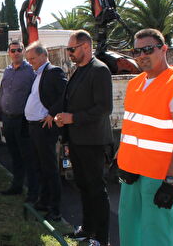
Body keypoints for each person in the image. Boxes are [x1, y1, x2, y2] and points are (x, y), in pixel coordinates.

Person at [116, 29, 173, 246]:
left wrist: (171, 182)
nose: (142, 55)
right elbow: (131, 127)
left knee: (158, 237)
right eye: (136, 51)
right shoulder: (135, 84)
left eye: (147, 49)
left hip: (159, 176)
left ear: (163, 49)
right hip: (131, 173)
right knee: (129, 230)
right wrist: (121, 160)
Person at [54, 30, 113, 246]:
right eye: (69, 49)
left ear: (86, 47)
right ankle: (87, 230)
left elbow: (104, 108)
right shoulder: (79, 70)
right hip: (78, 140)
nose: (69, 53)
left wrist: (73, 118)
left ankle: (102, 238)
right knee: (84, 187)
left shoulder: (99, 70)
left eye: (72, 49)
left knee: (97, 190)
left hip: (93, 142)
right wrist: (64, 119)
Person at [24, 41, 67, 222]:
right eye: (29, 59)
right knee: (39, 167)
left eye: (33, 58)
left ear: (44, 55)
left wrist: (52, 113)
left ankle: (55, 209)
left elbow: (66, 95)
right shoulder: (38, 74)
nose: (30, 62)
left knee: (49, 169)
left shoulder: (54, 72)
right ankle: (44, 201)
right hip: (34, 126)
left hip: (45, 128)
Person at [0, 41, 37, 200]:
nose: (16, 53)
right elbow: (2, 95)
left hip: (23, 121)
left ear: (23, 51)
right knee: (14, 155)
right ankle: (17, 186)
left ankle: (33, 192)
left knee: (28, 157)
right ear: (9, 53)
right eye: (13, 50)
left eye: (19, 50)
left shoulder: (31, 71)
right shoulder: (7, 71)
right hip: (7, 119)